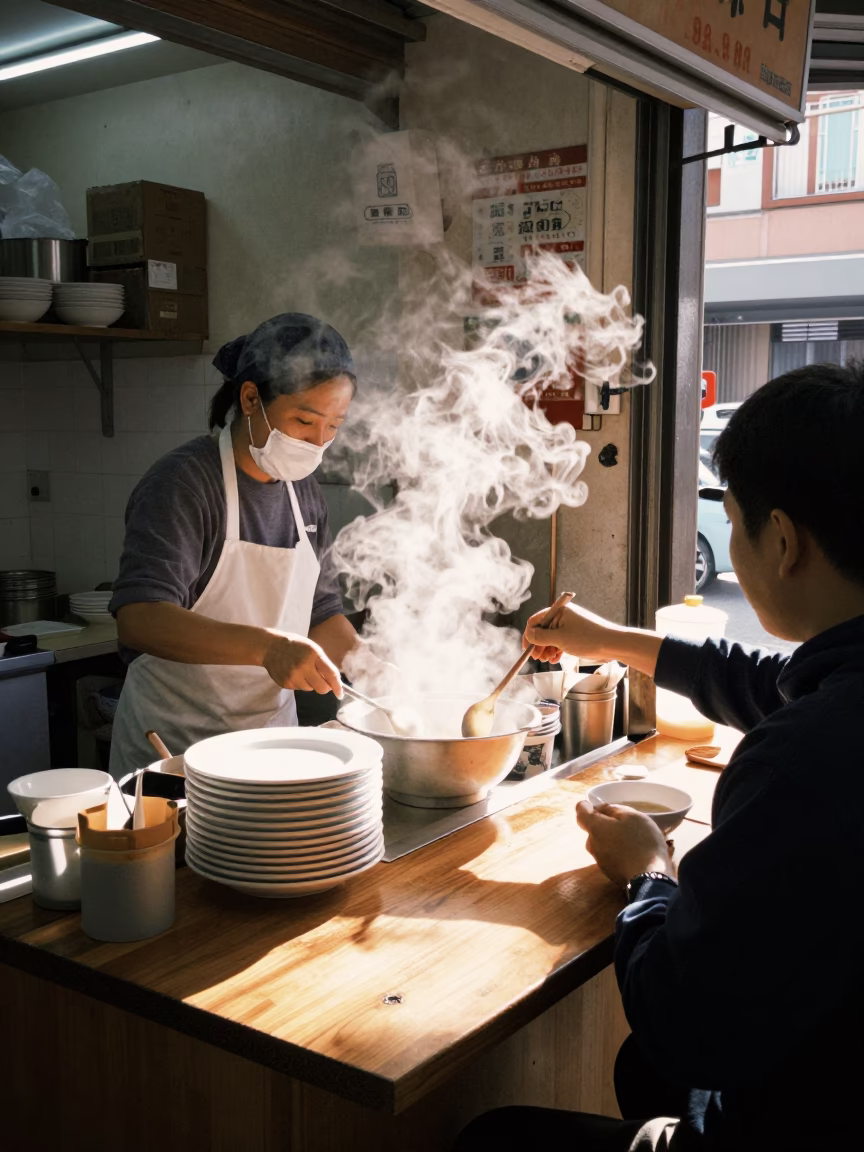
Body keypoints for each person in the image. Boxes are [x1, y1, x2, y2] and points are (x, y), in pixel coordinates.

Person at [453, 362, 864, 1151]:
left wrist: (648, 875)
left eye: (734, 524)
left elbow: (683, 1018)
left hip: (800, 1117)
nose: (732, 546)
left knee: (496, 1137)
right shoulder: (839, 694)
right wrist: (608, 640)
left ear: (782, 541)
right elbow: (763, 685)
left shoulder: (799, 763)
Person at [109, 312, 369, 776]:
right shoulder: (184, 483)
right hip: (173, 748)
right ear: (251, 398)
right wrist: (268, 648)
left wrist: (372, 667)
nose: (319, 442)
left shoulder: (303, 491)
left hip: (270, 743)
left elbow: (321, 612)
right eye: (305, 420)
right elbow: (140, 618)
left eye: (334, 425)